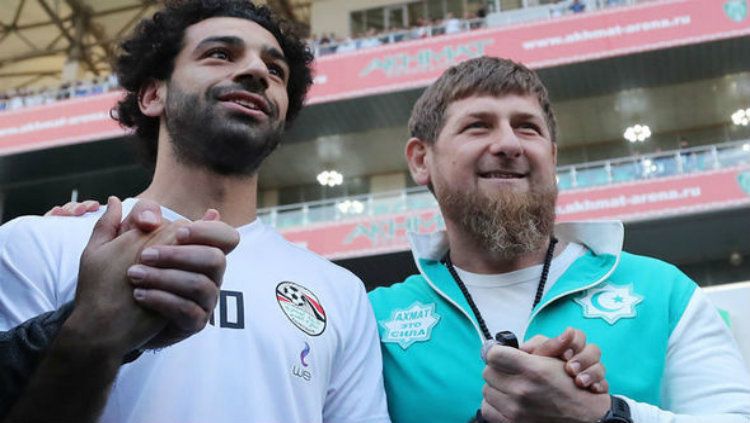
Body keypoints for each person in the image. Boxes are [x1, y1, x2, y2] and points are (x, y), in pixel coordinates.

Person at [0, 1, 390, 422]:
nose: (258, 72)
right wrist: (92, 332)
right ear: (153, 94)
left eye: (275, 71)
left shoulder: (341, 292)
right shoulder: (39, 244)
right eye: (220, 54)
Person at [368, 56, 750, 422]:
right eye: (478, 126)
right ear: (421, 160)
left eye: (527, 127)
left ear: (551, 156)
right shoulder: (372, 318)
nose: (509, 144)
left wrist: (604, 415)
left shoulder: (663, 292)